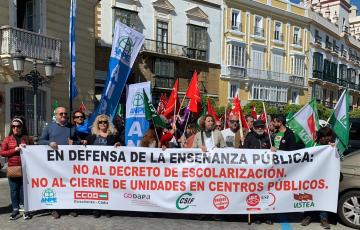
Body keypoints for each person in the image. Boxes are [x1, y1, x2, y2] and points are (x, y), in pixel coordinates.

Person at [38, 106, 75, 219]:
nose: (64, 116)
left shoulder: (71, 127)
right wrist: (49, 143)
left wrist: (77, 142)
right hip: (54, 164)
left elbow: (76, 140)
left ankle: (69, 207)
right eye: (61, 114)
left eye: (65, 114)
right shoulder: (49, 127)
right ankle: (55, 209)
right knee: (56, 186)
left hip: (68, 164)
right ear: (56, 115)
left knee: (68, 185)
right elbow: (40, 141)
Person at [85, 114, 121, 218]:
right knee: (96, 188)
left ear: (108, 123)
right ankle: (96, 209)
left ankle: (107, 208)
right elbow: (83, 144)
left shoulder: (113, 135)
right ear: (97, 124)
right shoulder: (92, 136)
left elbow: (122, 144)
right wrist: (82, 142)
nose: (103, 124)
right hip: (95, 169)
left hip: (109, 169)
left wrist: (118, 143)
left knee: (108, 188)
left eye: (105, 122)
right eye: (100, 122)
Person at [300, 126, 335, 229]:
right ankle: (308, 216)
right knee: (309, 196)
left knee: (323, 197)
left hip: (325, 178)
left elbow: (340, 158)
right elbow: (302, 157)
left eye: (329, 136)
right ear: (320, 137)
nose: (327, 138)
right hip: (312, 177)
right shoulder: (312, 145)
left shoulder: (332, 147)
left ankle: (323, 219)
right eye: (325, 136)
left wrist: (335, 149)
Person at [1, 117, 33, 220]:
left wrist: (27, 148)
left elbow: (34, 151)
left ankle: (24, 209)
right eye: (13, 126)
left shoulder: (27, 138)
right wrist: (14, 150)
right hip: (13, 167)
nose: (15, 128)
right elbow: (2, 152)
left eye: (18, 126)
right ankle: (15, 209)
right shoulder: (7, 139)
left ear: (21, 127)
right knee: (14, 189)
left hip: (25, 168)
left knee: (24, 189)